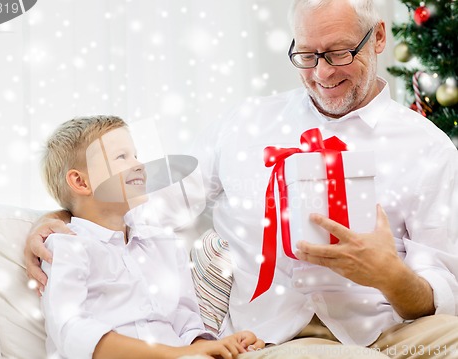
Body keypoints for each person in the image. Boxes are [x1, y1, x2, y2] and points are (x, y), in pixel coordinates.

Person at [26, 1, 458, 358]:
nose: (322, 74)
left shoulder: (428, 148)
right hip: (276, 337)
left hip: (389, 330)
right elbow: (148, 202)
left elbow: (441, 290)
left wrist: (390, 276)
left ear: (379, 37)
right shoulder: (246, 123)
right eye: (307, 56)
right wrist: (61, 215)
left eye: (340, 53)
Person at [37, 115, 265, 359]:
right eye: (121, 157)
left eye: (136, 155)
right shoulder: (67, 246)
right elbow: (71, 330)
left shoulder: (163, 243)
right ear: (81, 182)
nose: (139, 164)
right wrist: (173, 354)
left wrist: (215, 346)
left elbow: (185, 322)